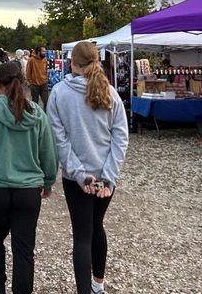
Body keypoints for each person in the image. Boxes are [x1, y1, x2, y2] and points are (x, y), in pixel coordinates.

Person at [0, 61, 58, 294]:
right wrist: (47, 182)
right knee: (24, 249)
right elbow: (49, 153)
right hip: (28, 191)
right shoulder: (38, 116)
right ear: (24, 84)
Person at [46, 41, 129, 294]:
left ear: (72, 62)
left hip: (76, 178)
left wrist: (80, 174)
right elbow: (120, 137)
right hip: (105, 177)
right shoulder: (111, 92)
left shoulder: (59, 93)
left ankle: (85, 289)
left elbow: (59, 139)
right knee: (97, 226)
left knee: (82, 235)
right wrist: (108, 177)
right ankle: (98, 286)